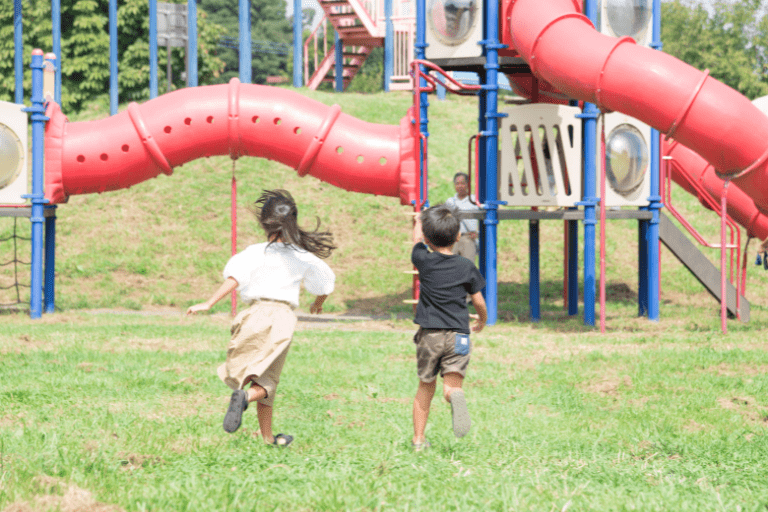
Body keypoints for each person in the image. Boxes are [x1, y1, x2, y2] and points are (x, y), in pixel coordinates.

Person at [187, 189, 336, 446]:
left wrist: (208, 303)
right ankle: (243, 398)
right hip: (280, 318)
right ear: (293, 221)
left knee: (259, 377)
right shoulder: (301, 256)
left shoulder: (254, 252)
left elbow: (234, 279)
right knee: (268, 383)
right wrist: (317, 304)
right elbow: (324, 284)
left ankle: (268, 438)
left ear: (264, 222)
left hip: (252, 314)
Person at [410, 204, 488, 450]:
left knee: (425, 386)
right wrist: (482, 319)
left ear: (426, 236)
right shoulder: (466, 266)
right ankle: (454, 396)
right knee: (451, 386)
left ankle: (419, 440)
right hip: (459, 335)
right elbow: (478, 301)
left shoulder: (424, 260)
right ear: (457, 237)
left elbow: (416, 242)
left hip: (430, 335)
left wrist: (416, 222)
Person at [445, 172, 481, 261]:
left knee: (468, 268)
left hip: (468, 238)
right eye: (457, 183)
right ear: (454, 185)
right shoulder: (450, 202)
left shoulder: (475, 201)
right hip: (452, 240)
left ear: (468, 184)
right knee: (451, 268)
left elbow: (483, 219)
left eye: (463, 183)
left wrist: (478, 233)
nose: (460, 186)